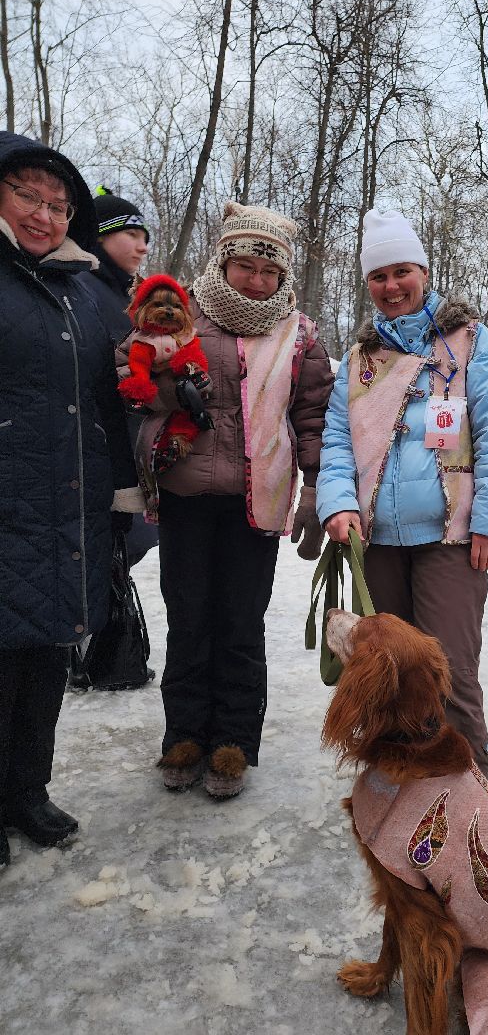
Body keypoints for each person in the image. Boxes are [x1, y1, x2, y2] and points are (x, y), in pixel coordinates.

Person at [119, 201, 334, 800]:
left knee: (241, 623)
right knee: (190, 618)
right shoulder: (181, 314)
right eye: (246, 266)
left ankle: (233, 742)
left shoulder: (300, 332)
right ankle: (183, 737)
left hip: (257, 501)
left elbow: (312, 414)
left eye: (269, 272)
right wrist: (167, 394)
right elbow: (128, 370)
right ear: (224, 260)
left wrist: (314, 485)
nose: (257, 280)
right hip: (186, 495)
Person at [316, 208, 488, 776]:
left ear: (424, 271)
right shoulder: (359, 361)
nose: (391, 286)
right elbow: (337, 438)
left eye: (401, 271)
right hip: (376, 538)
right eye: (378, 276)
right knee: (385, 675)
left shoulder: (469, 342)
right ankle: (399, 782)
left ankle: (468, 788)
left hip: (452, 537)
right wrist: (338, 501)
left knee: (449, 673)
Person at [0, 132, 141, 868]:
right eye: (27, 195)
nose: (44, 213)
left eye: (58, 204)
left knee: (48, 651)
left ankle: (27, 789)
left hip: (70, 500)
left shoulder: (85, 289)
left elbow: (121, 385)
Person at [66, 187, 157, 692]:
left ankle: (101, 649)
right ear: (100, 237)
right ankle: (96, 652)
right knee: (102, 548)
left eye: (145, 235)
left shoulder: (124, 292)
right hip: (97, 451)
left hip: (125, 447)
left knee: (120, 547)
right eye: (130, 233)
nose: (141, 245)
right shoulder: (87, 290)